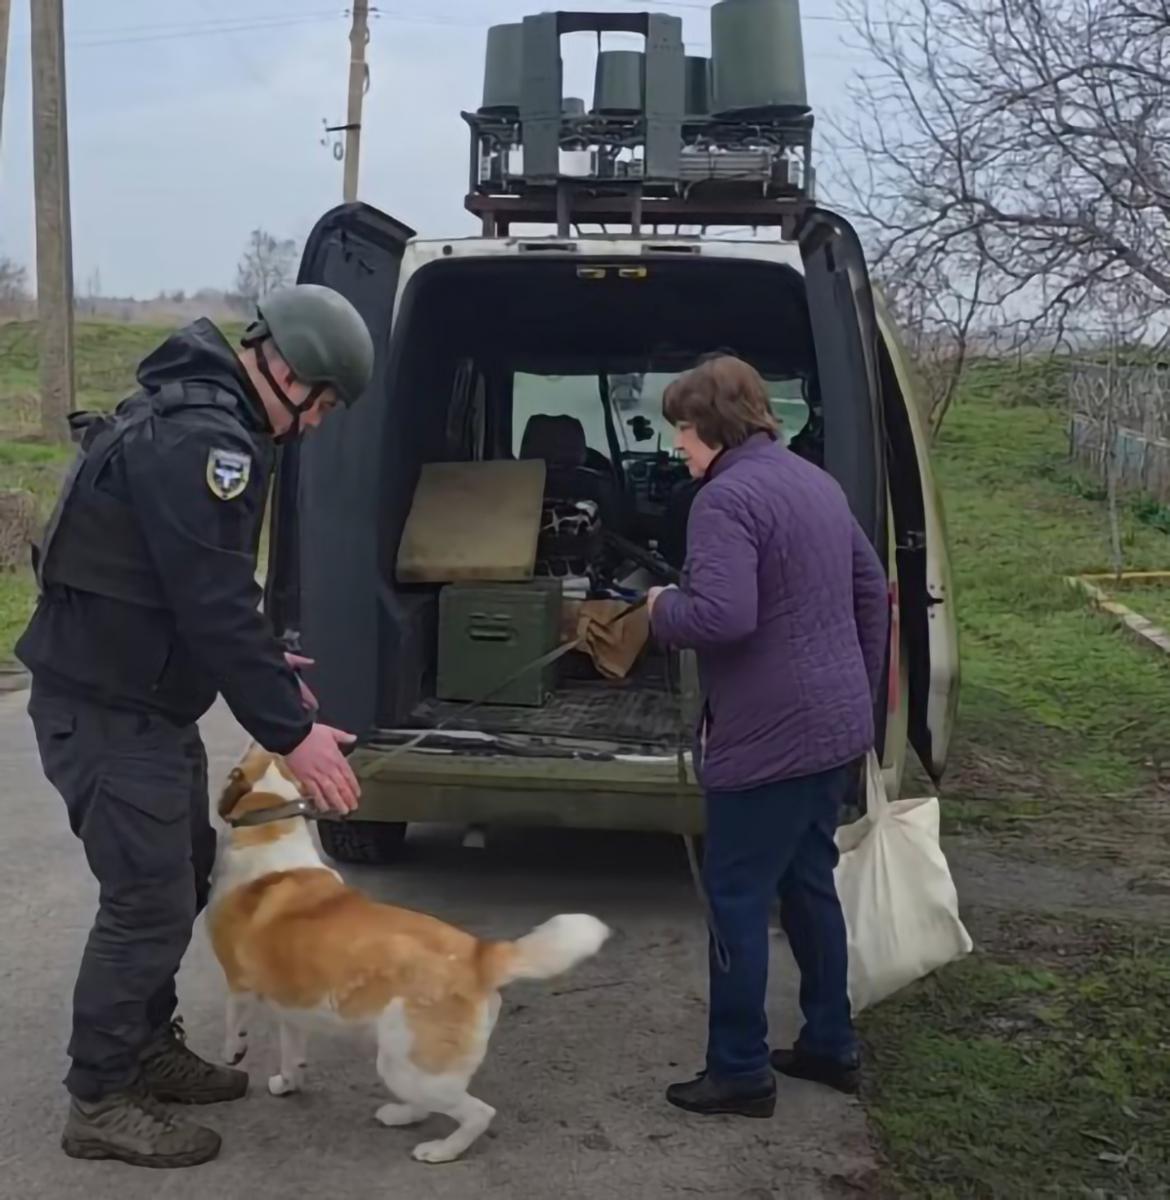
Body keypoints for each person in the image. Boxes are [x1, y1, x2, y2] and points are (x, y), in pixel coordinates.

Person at [17, 284, 376, 1168]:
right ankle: (99, 1097)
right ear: (285, 370)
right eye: (322, 401)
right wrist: (295, 731)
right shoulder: (204, 439)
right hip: (106, 708)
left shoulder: (200, 417)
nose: (319, 422)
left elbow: (192, 587)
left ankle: (145, 1048)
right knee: (145, 903)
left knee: (176, 877)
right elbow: (213, 601)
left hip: (141, 697)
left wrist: (254, 665)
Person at [646, 356, 889, 1119]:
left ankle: (741, 1069)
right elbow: (870, 590)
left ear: (712, 425)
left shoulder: (723, 499)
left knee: (737, 897)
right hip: (833, 728)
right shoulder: (814, 482)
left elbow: (721, 615)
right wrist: (863, 702)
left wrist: (659, 607)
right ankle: (829, 1041)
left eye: (682, 429)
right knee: (808, 881)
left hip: (767, 738)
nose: (678, 447)